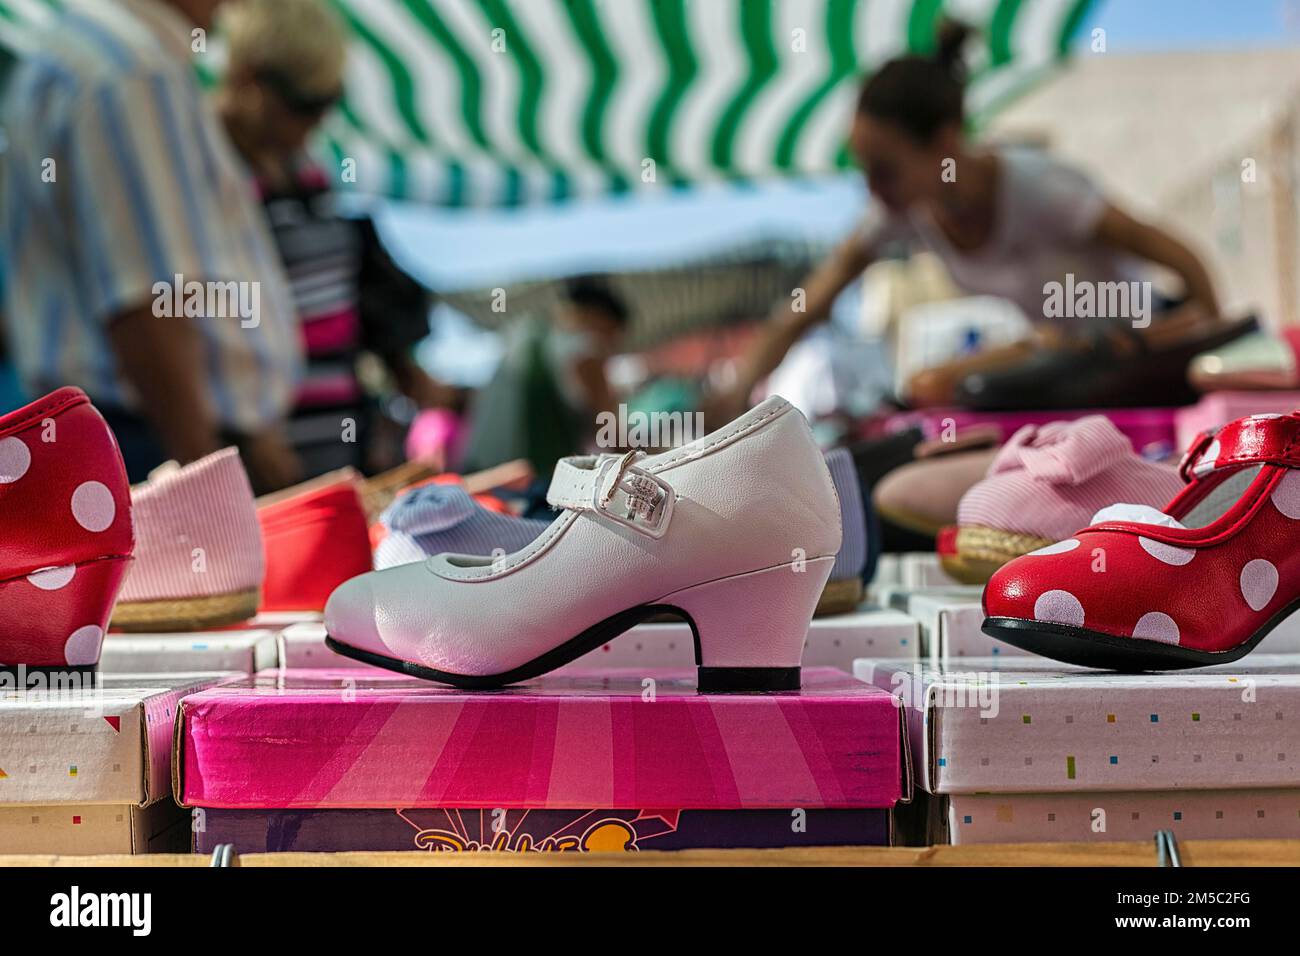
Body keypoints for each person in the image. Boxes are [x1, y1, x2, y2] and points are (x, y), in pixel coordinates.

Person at [716, 21, 1235, 417]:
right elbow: (808, 307)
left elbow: (1181, 256)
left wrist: (1216, 364)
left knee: (939, 386)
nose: (870, 188)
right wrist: (738, 390)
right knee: (929, 388)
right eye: (864, 170)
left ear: (944, 142)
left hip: (1136, 351)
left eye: (884, 169)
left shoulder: (1041, 189)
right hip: (1063, 367)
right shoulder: (901, 212)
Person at [0, 0, 304, 492]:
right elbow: (143, 300)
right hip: (145, 444)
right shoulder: (132, 70)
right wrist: (203, 472)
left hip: (124, 437)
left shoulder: (84, 54)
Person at [216, 0, 455, 478]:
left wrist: (402, 365)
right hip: (255, 465)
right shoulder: (206, 169)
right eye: (304, 105)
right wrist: (256, 447)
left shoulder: (306, 173)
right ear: (248, 78)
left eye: (329, 102)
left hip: (339, 453)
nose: (316, 122)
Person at [461, 277, 628, 477]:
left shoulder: (521, 333)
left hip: (482, 473)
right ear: (599, 319)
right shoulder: (586, 350)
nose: (611, 349)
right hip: (538, 484)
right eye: (612, 336)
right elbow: (610, 432)